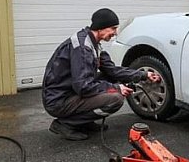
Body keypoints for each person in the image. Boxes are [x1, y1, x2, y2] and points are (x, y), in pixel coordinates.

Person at [42, 8, 160, 141]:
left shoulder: (94, 43)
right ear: (100, 27)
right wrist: (116, 88)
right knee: (115, 99)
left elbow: (112, 71)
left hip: (70, 92)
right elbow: (83, 86)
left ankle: (84, 122)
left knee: (110, 78)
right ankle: (65, 124)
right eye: (113, 28)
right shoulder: (83, 48)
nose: (115, 33)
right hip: (59, 101)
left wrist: (143, 75)